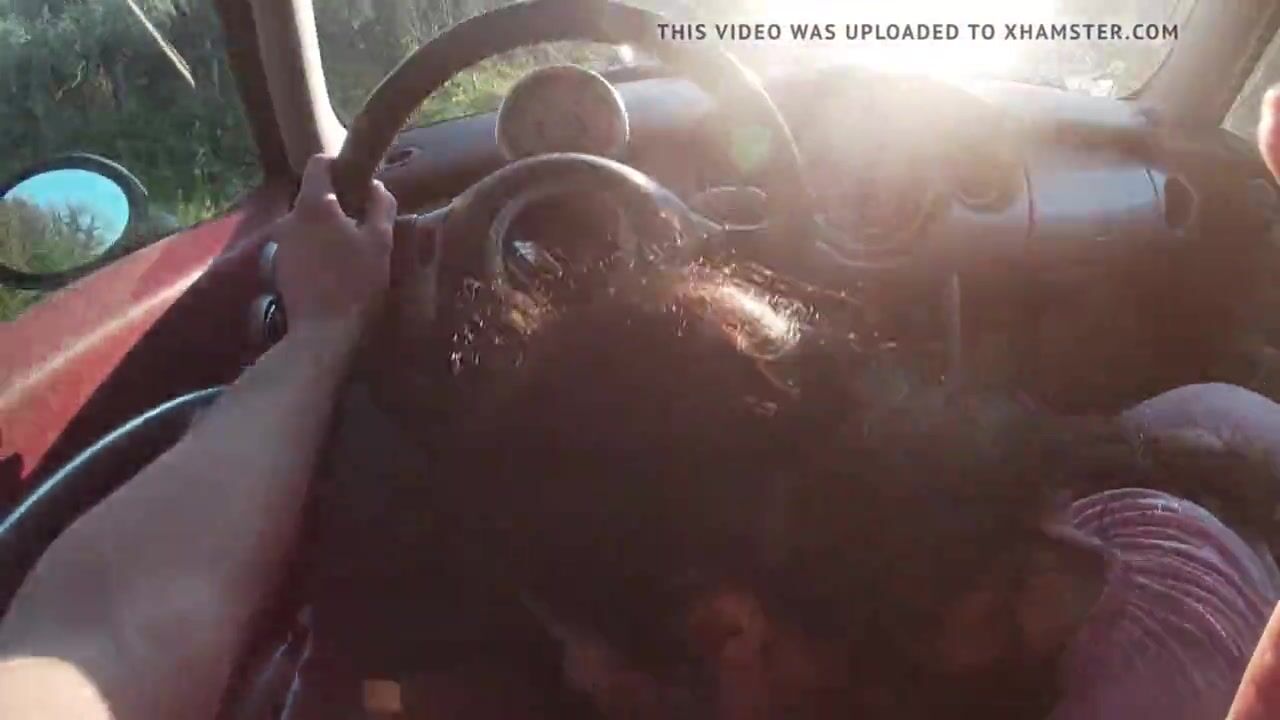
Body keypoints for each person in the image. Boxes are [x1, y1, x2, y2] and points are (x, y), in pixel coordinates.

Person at [4, 97, 1280, 720]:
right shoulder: (1132, 474)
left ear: (731, 634)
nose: (577, 679)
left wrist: (320, 339)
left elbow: (110, 632)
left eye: (582, 651)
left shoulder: (1165, 668)